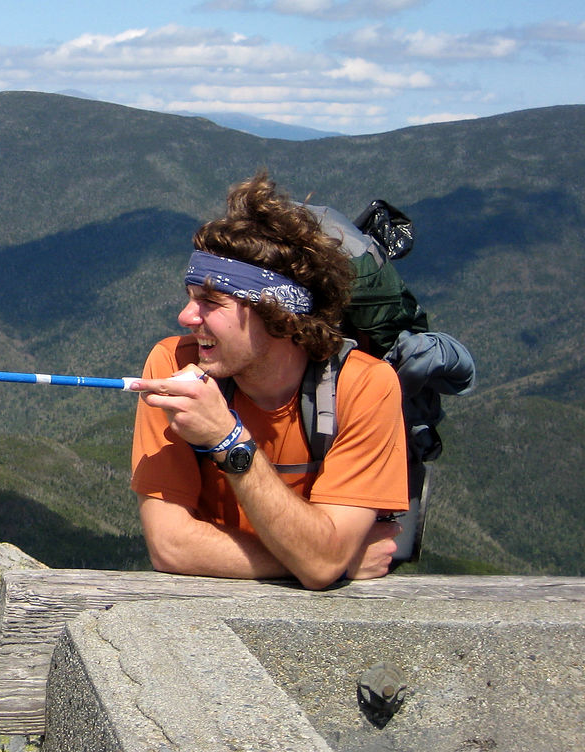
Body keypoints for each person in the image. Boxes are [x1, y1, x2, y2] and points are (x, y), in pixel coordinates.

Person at [130, 172, 408, 589]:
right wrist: (330, 559)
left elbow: (321, 563)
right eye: (190, 298)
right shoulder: (173, 365)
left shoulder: (364, 385)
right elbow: (170, 546)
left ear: (277, 313)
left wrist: (228, 440)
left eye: (210, 302)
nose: (187, 318)